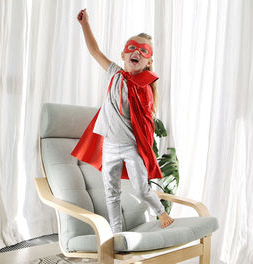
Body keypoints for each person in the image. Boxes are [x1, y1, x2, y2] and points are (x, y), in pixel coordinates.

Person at [71, 8, 174, 233]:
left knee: (140, 189)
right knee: (111, 192)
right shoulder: (114, 73)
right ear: (123, 54)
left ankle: (161, 212)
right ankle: (117, 234)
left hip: (130, 148)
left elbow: (143, 123)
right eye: (132, 48)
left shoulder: (144, 88)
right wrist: (85, 24)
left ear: (148, 61)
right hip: (109, 146)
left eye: (143, 51)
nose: (136, 52)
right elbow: (94, 51)